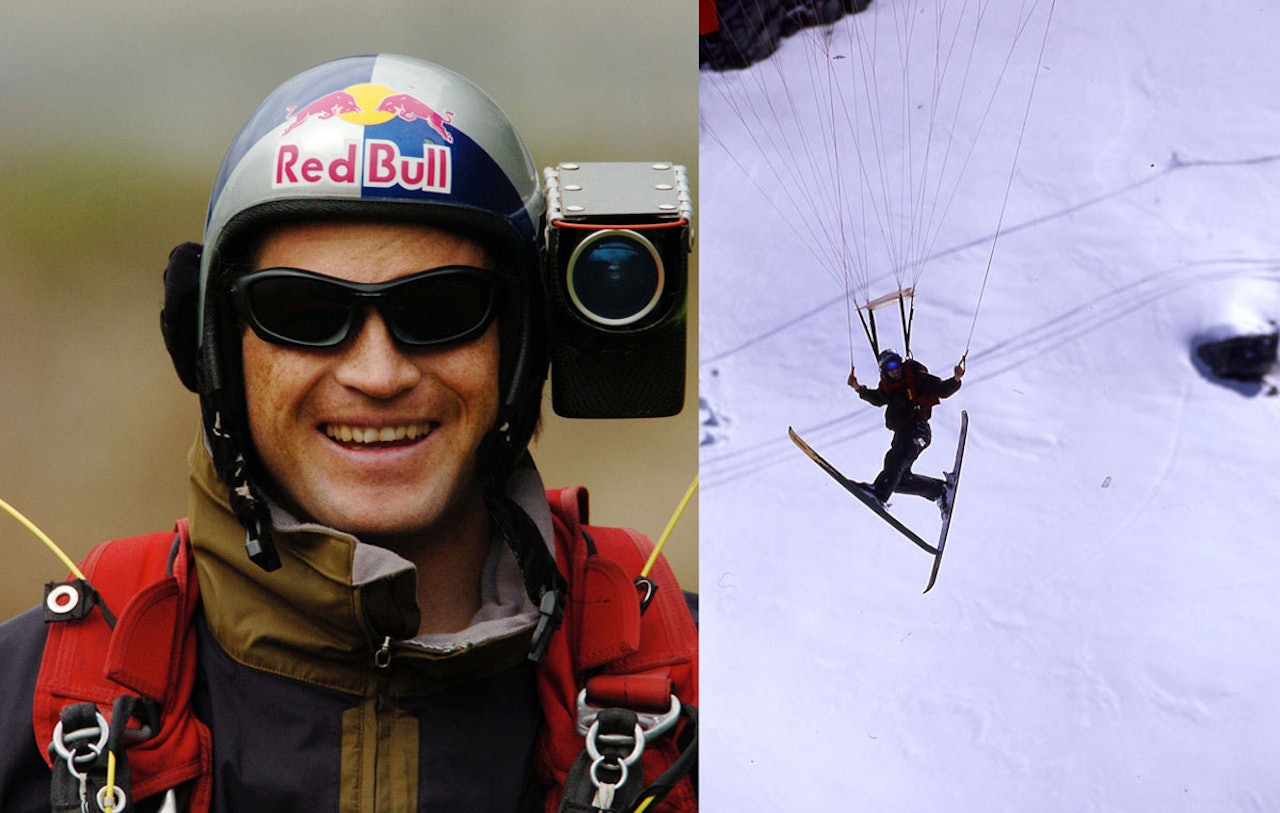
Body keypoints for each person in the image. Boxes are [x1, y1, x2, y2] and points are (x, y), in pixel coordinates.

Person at [0, 55, 696, 813]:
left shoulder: (722, 689)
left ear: (525, 344)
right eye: (303, 313)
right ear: (215, 350)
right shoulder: (19, 704)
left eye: (441, 308)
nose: (377, 372)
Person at [847, 349, 964, 510]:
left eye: (897, 363)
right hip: (902, 434)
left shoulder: (915, 377)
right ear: (884, 371)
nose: (895, 369)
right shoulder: (888, 387)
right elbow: (877, 399)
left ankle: (879, 493)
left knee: (898, 458)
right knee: (898, 479)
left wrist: (956, 379)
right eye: (890, 366)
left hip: (918, 430)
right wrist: (858, 388)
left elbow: (941, 389)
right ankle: (939, 491)